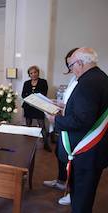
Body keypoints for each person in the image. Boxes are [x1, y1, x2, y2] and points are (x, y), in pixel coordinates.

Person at [46, 47, 108, 213]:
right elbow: (90, 111)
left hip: (86, 151)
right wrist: (66, 106)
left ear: (80, 63)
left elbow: (81, 120)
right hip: (94, 150)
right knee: (83, 194)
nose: (71, 69)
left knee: (82, 199)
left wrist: (55, 119)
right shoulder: (100, 77)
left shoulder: (87, 83)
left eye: (71, 65)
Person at [43, 48, 79, 206]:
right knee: (60, 154)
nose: (70, 67)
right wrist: (60, 104)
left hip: (72, 128)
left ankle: (72, 192)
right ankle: (60, 180)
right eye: (68, 64)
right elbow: (71, 102)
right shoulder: (74, 79)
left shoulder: (83, 81)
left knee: (72, 161)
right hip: (65, 124)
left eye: (71, 63)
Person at [21, 65, 51, 152]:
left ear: (38, 73)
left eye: (35, 72)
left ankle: (46, 144)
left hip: (39, 106)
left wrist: (32, 96)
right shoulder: (26, 83)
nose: (33, 74)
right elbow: (23, 94)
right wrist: (31, 98)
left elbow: (43, 93)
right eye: (31, 73)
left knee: (42, 125)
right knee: (28, 125)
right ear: (29, 75)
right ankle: (27, 144)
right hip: (28, 106)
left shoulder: (43, 82)